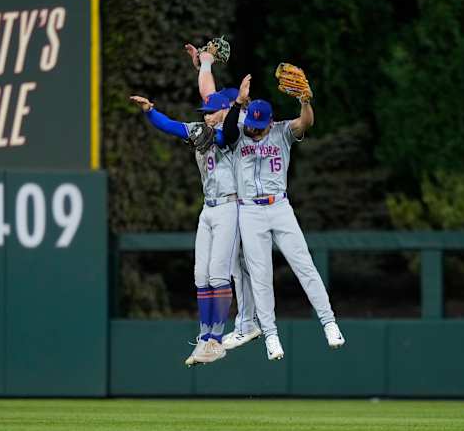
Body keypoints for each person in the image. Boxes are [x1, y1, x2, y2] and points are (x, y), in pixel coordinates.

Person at [220, 74, 346, 360]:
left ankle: (329, 323)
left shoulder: (281, 130)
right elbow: (227, 132)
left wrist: (305, 101)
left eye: (257, 126)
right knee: (261, 276)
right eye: (250, 124)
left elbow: (306, 122)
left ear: (269, 121)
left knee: (305, 265)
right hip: (250, 210)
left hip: (280, 207)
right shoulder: (239, 130)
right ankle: (271, 335)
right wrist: (239, 103)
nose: (253, 130)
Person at [129, 92, 238, 365]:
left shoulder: (236, 131)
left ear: (225, 110)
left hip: (229, 206)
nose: (207, 115)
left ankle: (216, 338)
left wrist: (229, 114)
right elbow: (171, 126)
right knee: (200, 273)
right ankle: (204, 337)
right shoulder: (201, 129)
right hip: (209, 207)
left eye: (212, 111)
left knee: (217, 273)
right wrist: (150, 110)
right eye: (205, 111)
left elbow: (227, 136)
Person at [184, 45, 262, 350]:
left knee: (237, 267)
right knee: (233, 267)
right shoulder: (220, 116)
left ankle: (245, 324)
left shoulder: (238, 124)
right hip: (234, 201)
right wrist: (205, 63)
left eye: (224, 103)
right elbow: (209, 94)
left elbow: (223, 112)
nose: (212, 106)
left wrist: (207, 65)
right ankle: (239, 324)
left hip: (248, 200)